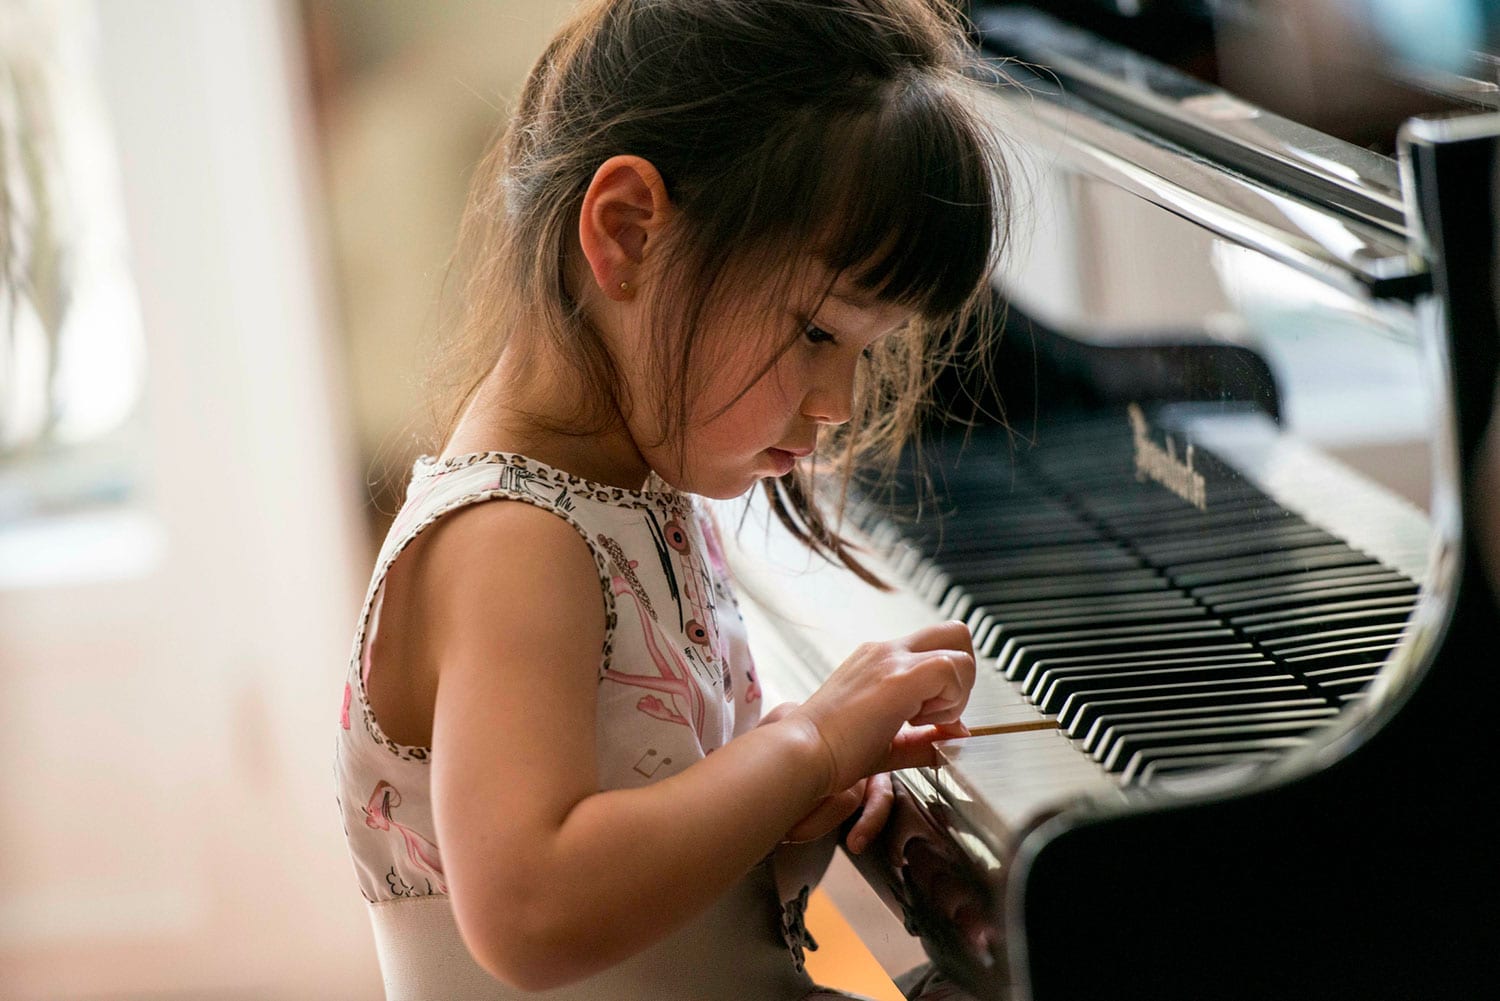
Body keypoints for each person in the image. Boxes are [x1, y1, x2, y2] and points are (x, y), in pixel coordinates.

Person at [333, 1, 1009, 997]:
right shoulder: (511, 542)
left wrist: (790, 815)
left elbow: (674, 917)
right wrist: (804, 743)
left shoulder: (633, 499)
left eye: (867, 351)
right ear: (628, 232)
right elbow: (534, 909)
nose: (839, 402)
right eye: (820, 334)